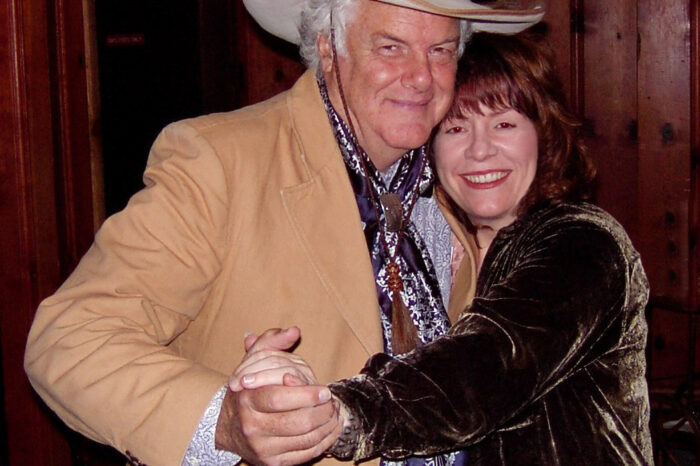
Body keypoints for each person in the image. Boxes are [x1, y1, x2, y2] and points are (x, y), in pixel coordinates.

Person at [23, 1, 544, 466]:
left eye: (440, 51)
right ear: (328, 46)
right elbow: (69, 340)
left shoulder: (454, 184)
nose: (421, 78)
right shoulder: (222, 161)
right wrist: (225, 423)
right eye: (391, 46)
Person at [233, 32, 653, 465]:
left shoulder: (583, 243)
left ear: (544, 135)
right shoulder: (433, 254)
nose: (479, 150)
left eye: (504, 124)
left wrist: (340, 411)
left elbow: (488, 366)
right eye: (455, 128)